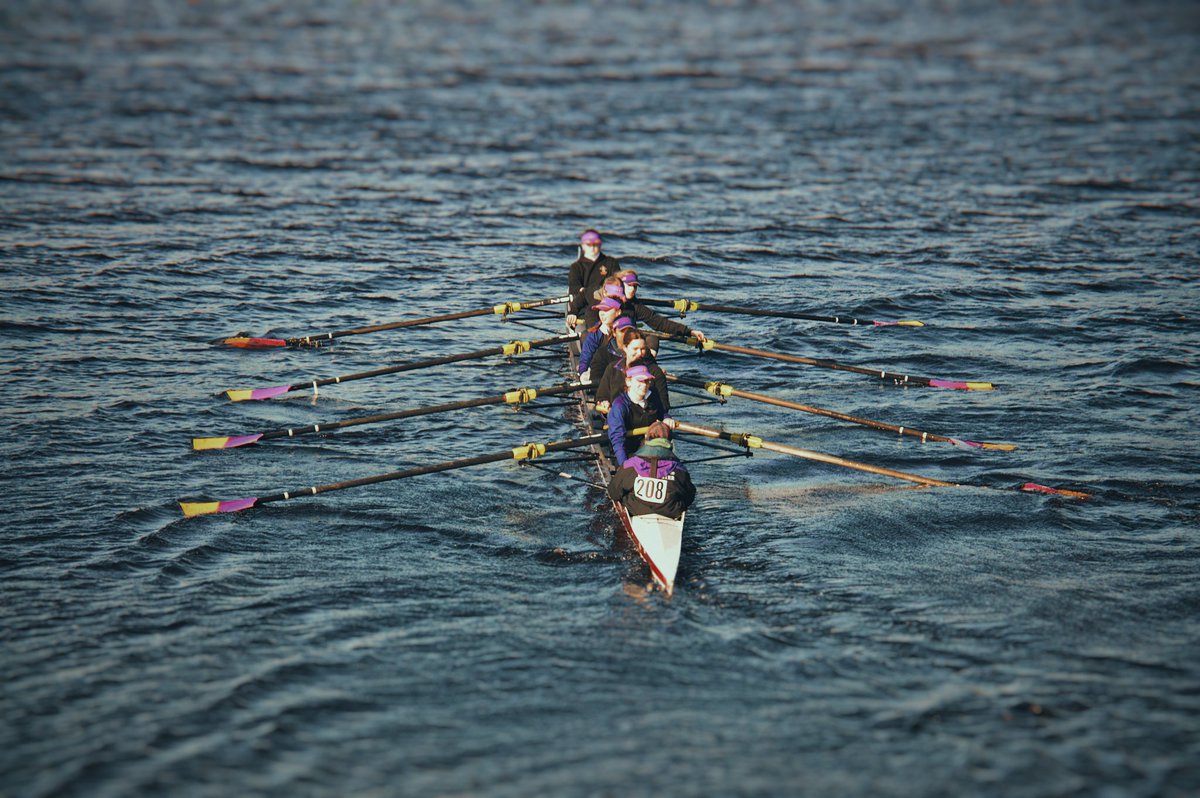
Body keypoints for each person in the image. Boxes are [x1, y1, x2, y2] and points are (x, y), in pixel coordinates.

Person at [603, 270, 708, 352]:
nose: (633, 289)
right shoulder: (604, 299)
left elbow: (660, 323)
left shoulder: (636, 307)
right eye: (629, 285)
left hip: (626, 344)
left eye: (635, 286)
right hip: (605, 340)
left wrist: (689, 331)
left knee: (653, 339)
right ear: (620, 285)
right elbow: (591, 314)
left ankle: (649, 367)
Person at [607, 421, 696, 519]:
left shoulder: (630, 465)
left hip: (637, 510)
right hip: (670, 512)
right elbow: (689, 496)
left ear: (646, 440)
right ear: (669, 442)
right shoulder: (680, 470)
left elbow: (613, 492)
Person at [606, 364, 674, 466]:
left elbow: (661, 413)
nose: (644, 385)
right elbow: (618, 440)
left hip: (649, 447)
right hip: (627, 450)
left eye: (647, 381)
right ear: (628, 382)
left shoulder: (653, 394)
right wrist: (625, 466)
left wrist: (667, 418)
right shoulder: (619, 406)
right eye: (640, 381)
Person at [594, 327, 669, 415]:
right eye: (635, 349)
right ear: (625, 348)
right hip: (617, 417)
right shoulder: (612, 369)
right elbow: (601, 396)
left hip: (647, 418)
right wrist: (604, 403)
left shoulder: (655, 372)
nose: (640, 353)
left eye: (643, 349)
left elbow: (664, 405)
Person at [566, 230, 620, 330]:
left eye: (595, 244)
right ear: (583, 246)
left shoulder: (611, 263)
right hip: (585, 307)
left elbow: (618, 284)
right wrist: (573, 312)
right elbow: (574, 288)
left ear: (600, 244)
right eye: (589, 244)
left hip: (609, 308)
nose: (592, 247)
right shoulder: (576, 267)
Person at [578, 296, 630, 382]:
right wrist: (583, 375)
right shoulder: (594, 334)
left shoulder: (629, 330)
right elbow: (585, 360)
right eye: (600, 310)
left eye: (606, 310)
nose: (601, 313)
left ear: (618, 312)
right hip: (599, 375)